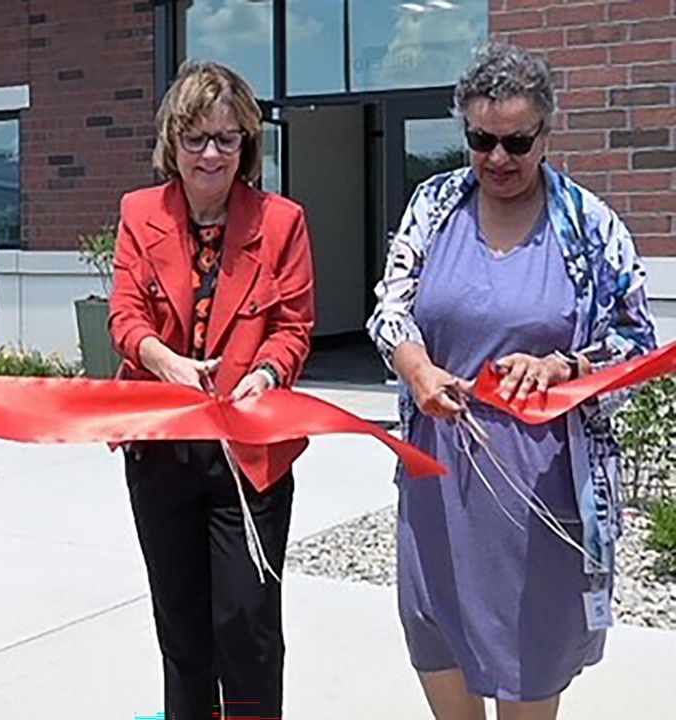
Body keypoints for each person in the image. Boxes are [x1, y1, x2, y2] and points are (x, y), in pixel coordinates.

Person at [368, 42, 657, 720]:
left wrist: (565, 365)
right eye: (480, 139)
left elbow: (635, 345)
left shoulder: (590, 227)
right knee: (437, 646)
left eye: (517, 141)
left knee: (529, 669)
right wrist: (416, 365)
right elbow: (390, 307)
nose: (497, 158)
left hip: (541, 494)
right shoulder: (434, 204)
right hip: (437, 485)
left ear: (547, 133)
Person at [108, 60, 315, 719]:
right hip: (163, 450)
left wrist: (265, 375)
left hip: (245, 454)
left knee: (246, 627)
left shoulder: (281, 222)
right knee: (183, 630)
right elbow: (123, 315)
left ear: (247, 144)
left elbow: (293, 327)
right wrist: (162, 360)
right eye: (197, 138)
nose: (211, 154)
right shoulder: (139, 213)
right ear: (173, 141)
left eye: (228, 138)